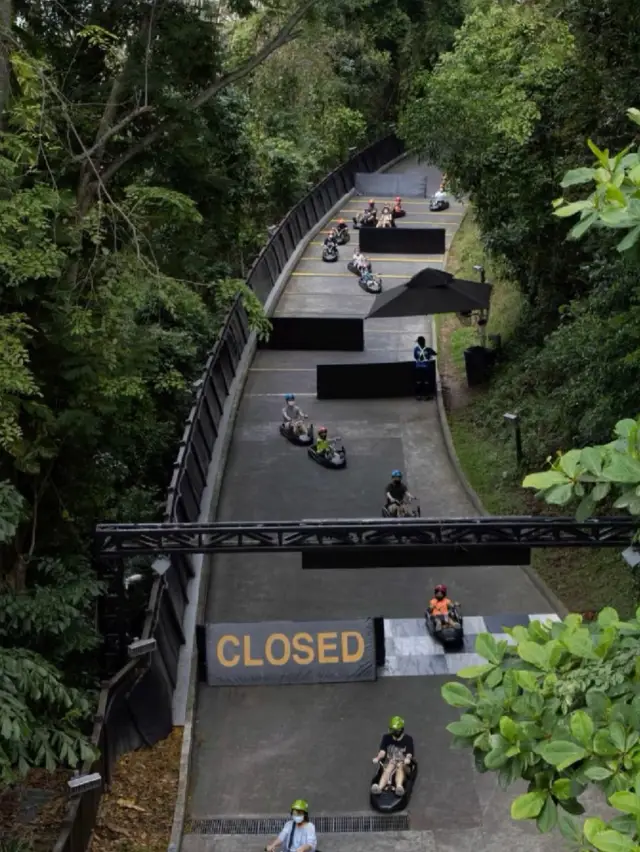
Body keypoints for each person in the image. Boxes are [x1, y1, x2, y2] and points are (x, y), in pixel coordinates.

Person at [371, 716, 414, 796]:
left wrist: (407, 759)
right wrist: (377, 758)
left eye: (394, 730)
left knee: (400, 767)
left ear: (399, 730)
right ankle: (379, 788)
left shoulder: (408, 739)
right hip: (391, 761)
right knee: (388, 769)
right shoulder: (386, 738)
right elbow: (382, 751)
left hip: (403, 762)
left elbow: (409, 753)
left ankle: (399, 787)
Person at [414, 335, 437, 400]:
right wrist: (429, 356)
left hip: (418, 367)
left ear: (418, 343)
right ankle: (426, 396)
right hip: (426, 368)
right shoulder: (428, 349)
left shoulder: (416, 349)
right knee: (426, 381)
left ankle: (418, 396)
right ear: (424, 342)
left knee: (418, 381)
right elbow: (435, 353)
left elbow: (415, 357)